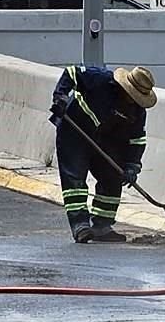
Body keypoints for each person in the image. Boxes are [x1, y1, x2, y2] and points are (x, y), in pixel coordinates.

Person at [49, 65, 157, 243]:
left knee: (113, 177)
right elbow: (71, 72)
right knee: (74, 178)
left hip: (105, 139)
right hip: (74, 131)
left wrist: (132, 166)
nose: (132, 101)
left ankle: (102, 226)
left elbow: (137, 140)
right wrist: (60, 97)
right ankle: (80, 225)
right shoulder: (99, 79)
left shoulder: (137, 111)